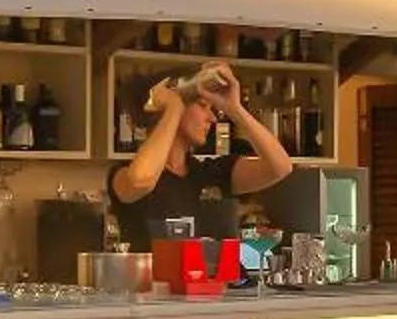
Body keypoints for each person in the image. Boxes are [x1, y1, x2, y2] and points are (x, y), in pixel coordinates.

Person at [109, 63, 293, 249]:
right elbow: (140, 181)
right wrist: (174, 106)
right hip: (154, 279)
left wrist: (235, 108)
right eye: (203, 106)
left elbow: (280, 167)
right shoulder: (124, 173)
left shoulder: (208, 173)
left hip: (217, 278)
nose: (212, 118)